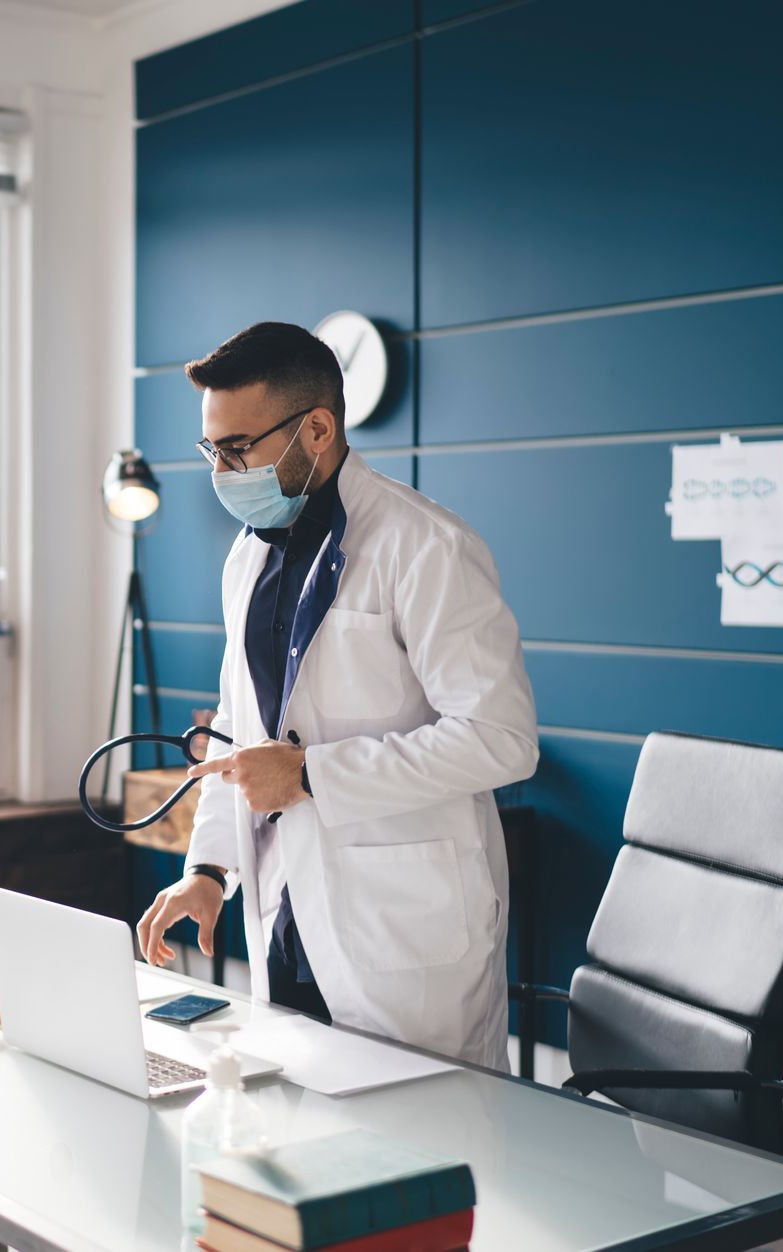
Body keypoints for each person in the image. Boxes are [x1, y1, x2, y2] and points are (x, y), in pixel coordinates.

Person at [134, 322, 538, 1069]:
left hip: (404, 927)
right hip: (286, 907)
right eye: (212, 450)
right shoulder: (248, 555)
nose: (222, 471)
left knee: (430, 1154)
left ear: (316, 428)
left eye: (237, 449)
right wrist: (208, 870)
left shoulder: (427, 547)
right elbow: (238, 730)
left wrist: (314, 773)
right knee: (298, 1140)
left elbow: (500, 737)